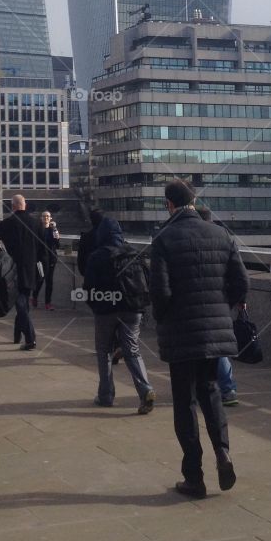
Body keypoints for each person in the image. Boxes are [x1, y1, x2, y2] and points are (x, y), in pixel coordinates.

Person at [150, 179, 249, 499]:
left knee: (184, 402)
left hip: (181, 332)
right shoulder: (221, 234)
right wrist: (222, 306)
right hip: (214, 329)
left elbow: (160, 292)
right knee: (211, 392)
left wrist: (164, 318)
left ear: (169, 204)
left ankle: (194, 476)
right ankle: (223, 452)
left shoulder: (164, 238)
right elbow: (241, 282)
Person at [83, 216, 155, 413]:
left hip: (106, 310)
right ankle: (145, 389)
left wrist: (96, 306)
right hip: (132, 309)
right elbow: (147, 281)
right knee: (132, 351)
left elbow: (88, 288)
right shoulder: (134, 253)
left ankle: (106, 396)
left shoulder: (97, 256)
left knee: (104, 352)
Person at [198, 206, 241, 406]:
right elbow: (239, 274)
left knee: (200, 348)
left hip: (197, 303)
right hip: (220, 302)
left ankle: (204, 388)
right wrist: (235, 300)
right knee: (219, 348)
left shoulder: (192, 238)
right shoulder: (224, 237)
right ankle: (228, 389)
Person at [0, 193, 41, 350]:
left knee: (21, 303)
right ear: (25, 205)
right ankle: (17, 334)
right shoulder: (36, 223)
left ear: (13, 206)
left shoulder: (6, 225)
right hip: (30, 269)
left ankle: (30, 338)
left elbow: (0, 250)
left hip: (12, 270)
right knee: (23, 303)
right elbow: (42, 249)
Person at [33, 211, 60, 310]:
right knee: (40, 278)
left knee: (49, 281)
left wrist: (55, 230)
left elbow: (57, 244)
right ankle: (34, 296)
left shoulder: (53, 230)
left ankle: (48, 303)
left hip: (51, 258)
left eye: (48, 216)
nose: (46, 218)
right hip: (40, 259)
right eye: (44, 216)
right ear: (41, 218)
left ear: (51, 218)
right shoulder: (37, 230)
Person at [77, 210, 103, 277]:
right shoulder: (109, 236)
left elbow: (81, 261)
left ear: (91, 220)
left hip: (91, 276)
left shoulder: (85, 238)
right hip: (108, 278)